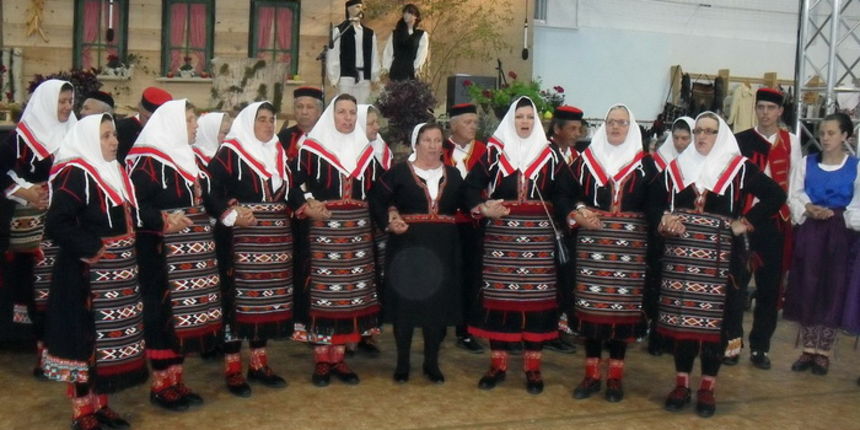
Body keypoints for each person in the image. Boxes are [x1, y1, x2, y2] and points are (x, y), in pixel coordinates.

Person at [653, 111, 785, 417]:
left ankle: (707, 387)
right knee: (683, 323)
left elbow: (776, 195)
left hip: (721, 260)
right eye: (698, 130)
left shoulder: (737, 168)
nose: (702, 137)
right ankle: (682, 383)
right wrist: (665, 216)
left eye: (710, 131)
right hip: (681, 258)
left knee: (714, 327)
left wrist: (746, 222)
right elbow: (655, 200)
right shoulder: (677, 168)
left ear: (721, 135)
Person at [41, 113, 146, 430]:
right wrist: (91, 247)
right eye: (105, 136)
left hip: (117, 274)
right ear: (88, 139)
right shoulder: (77, 175)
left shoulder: (116, 171)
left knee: (107, 345)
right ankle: (82, 412)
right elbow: (56, 223)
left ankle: (102, 404)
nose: (114, 141)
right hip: (85, 276)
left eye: (114, 135)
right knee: (84, 341)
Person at [464, 96, 574, 395]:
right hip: (502, 239)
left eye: (529, 117)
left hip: (539, 241)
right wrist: (483, 207)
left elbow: (564, 193)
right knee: (501, 302)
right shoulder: (494, 153)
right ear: (510, 121)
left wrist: (572, 212)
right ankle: (497, 365)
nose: (524, 122)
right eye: (519, 117)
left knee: (537, 305)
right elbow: (471, 187)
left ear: (536, 120)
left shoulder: (550, 155)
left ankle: (533, 368)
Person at [127, 100, 229, 410]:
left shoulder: (188, 158)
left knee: (184, 316)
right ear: (171, 124)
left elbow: (207, 197)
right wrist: (162, 220)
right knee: (163, 314)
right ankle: (161, 385)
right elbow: (132, 206)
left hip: (193, 253)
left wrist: (228, 214)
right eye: (189, 120)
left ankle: (177, 379)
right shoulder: (145, 163)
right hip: (160, 253)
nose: (195, 125)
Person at [292, 93, 383, 386]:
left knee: (348, 298)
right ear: (331, 115)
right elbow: (294, 183)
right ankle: (321, 359)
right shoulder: (310, 149)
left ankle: (339, 358)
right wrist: (308, 203)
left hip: (356, 237)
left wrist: (392, 212)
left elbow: (380, 191)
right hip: (323, 234)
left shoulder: (365, 151)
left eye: (351, 113)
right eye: (341, 112)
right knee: (323, 296)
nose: (347, 118)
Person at [208, 101, 298, 397]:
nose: (269, 125)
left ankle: (259, 363)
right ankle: (233, 367)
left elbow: (292, 190)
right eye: (262, 119)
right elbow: (211, 191)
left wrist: (306, 205)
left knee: (266, 303)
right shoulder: (230, 154)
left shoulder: (278, 153)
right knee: (239, 301)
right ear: (248, 122)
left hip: (275, 244)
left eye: (272, 120)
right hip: (241, 243)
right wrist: (229, 212)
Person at [569, 104, 655, 403]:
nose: (616, 127)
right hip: (593, 249)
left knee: (621, 316)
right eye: (610, 122)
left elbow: (654, 205)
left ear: (632, 128)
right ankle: (591, 375)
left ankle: (615, 378)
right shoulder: (584, 161)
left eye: (622, 122)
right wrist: (579, 211)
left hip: (630, 251)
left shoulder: (647, 165)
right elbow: (569, 195)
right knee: (592, 314)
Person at [369, 122, 463, 383]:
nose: (433, 146)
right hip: (408, 249)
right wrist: (389, 218)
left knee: (436, 307)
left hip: (442, 250)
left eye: (437, 140)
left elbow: (469, 202)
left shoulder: (454, 175)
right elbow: (377, 199)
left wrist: (485, 206)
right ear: (416, 143)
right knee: (406, 307)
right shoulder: (399, 173)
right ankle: (402, 363)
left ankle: (432, 363)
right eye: (427, 140)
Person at [0, 79, 76, 379]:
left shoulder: (75, 131)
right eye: (61, 101)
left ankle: (63, 350)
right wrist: (27, 192)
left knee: (64, 288)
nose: (67, 107)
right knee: (37, 291)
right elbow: (3, 175)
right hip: (32, 225)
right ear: (46, 102)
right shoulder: (21, 138)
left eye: (70, 101)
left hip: (65, 221)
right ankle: (43, 353)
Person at [784, 112, 860, 375]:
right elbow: (794, 193)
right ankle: (808, 349)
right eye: (822, 133)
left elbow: (857, 202)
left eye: (831, 133)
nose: (825, 138)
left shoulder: (856, 166)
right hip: (811, 231)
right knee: (808, 283)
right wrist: (808, 207)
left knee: (834, 286)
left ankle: (824, 351)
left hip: (840, 233)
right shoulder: (807, 163)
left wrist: (842, 214)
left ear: (845, 136)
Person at [731, 88, 800, 369]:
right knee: (735, 286)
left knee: (769, 289)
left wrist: (791, 215)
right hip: (745, 222)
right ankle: (731, 344)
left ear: (780, 111)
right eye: (760, 107)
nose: (765, 113)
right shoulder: (741, 141)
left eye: (771, 108)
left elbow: (794, 182)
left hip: (774, 223)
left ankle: (761, 347)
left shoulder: (791, 142)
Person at [645, 116, 694, 356]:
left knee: (683, 287)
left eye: (686, 138)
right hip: (661, 232)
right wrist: (663, 216)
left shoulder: (701, 164)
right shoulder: (658, 163)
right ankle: (657, 336)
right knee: (658, 284)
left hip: (688, 235)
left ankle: (681, 338)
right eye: (677, 138)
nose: (681, 143)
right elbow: (652, 198)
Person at [443, 103, 487, 354]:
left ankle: (467, 330)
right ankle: (439, 324)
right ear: (453, 124)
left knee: (472, 276)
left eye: (475, 123)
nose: (473, 127)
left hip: (474, 224)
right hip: (447, 223)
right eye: (468, 122)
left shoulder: (484, 151)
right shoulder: (439, 149)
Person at [545, 105, 585, 355]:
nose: (576, 134)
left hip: (571, 229)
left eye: (579, 129)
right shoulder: (544, 154)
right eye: (571, 128)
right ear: (557, 128)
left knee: (566, 279)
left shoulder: (577, 156)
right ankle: (548, 330)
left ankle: (560, 328)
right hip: (549, 226)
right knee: (549, 280)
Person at [326, 0, 380, 103]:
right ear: (348, 9)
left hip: (364, 76)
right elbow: (333, 54)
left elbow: (374, 55)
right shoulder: (340, 30)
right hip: (346, 76)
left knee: (363, 106)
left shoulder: (369, 33)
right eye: (357, 7)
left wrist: (375, 75)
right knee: (346, 104)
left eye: (361, 7)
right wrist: (333, 76)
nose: (360, 10)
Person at [115, 86, 173, 163]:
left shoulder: (171, 133)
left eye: (157, 120)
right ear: (139, 107)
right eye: (147, 118)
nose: (151, 124)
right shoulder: (121, 129)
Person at [382, 3, 430, 81]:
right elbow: (388, 51)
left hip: (410, 70)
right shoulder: (396, 33)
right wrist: (386, 68)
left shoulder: (421, 35)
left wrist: (416, 68)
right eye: (405, 12)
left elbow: (421, 54)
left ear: (416, 17)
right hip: (395, 69)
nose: (406, 15)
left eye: (409, 13)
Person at [277, 87, 324, 162]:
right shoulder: (284, 137)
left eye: (310, 107)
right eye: (299, 107)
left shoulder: (328, 137)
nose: (304, 112)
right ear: (294, 110)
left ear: (319, 111)